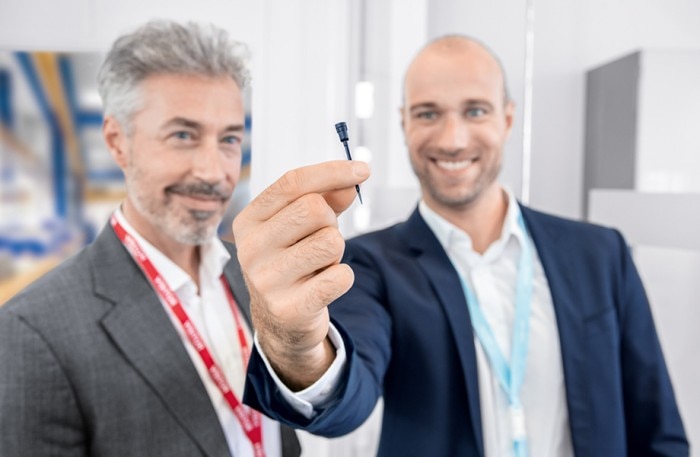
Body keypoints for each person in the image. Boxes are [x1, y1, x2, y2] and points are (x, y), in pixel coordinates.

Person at [233, 36, 689, 456]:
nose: (453, 139)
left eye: (475, 110)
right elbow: (346, 398)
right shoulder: (367, 263)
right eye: (429, 113)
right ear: (404, 123)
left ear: (507, 119)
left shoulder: (600, 253)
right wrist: (294, 345)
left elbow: (657, 429)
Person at [0, 20, 301, 457]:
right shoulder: (33, 333)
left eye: (230, 138)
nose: (214, 172)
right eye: (183, 135)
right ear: (117, 142)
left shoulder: (258, 275)